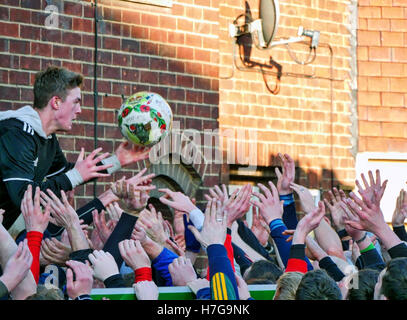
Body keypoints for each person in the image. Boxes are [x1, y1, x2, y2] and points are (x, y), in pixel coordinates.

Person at [0, 66, 150, 230]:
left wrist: (117, 160)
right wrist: (76, 175)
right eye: (76, 102)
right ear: (56, 102)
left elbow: (65, 173)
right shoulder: (17, 134)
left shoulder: (47, 138)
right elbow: (24, 198)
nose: (79, 110)